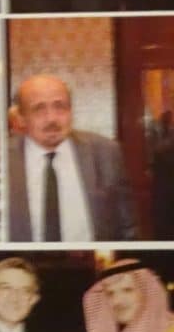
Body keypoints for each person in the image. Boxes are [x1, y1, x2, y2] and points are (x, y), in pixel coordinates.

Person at [8, 75, 133, 241]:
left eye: (60, 107)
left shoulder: (105, 153)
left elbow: (128, 228)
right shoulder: (4, 160)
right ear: (21, 118)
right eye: (39, 109)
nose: (51, 118)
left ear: (71, 111)